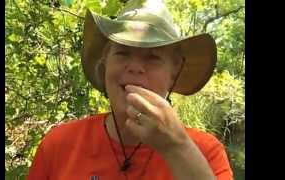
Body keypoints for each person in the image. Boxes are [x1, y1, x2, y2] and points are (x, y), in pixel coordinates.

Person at [27, 0, 233, 179]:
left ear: (174, 74)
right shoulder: (59, 145)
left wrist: (176, 147)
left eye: (153, 57)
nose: (135, 67)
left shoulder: (205, 152)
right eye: (122, 53)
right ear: (105, 63)